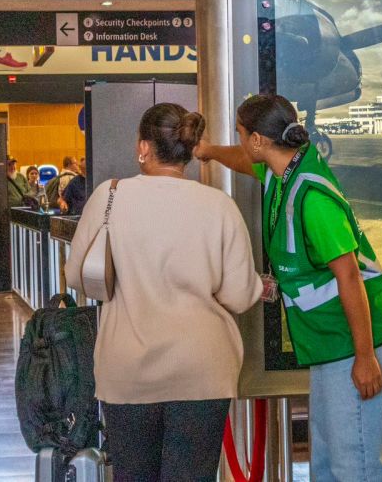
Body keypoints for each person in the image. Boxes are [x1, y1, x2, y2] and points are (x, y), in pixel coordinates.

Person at [196, 94, 382, 482]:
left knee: (357, 467)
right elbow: (244, 161)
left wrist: (365, 357)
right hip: (330, 344)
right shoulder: (283, 171)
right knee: (326, 466)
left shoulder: (312, 200)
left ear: (259, 139)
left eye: (242, 135)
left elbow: (349, 277)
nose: (241, 143)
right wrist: (207, 151)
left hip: (357, 342)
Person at [63, 103, 261, 482]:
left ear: (143, 148)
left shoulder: (110, 196)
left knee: (134, 474)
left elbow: (77, 275)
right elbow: (239, 295)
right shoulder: (219, 204)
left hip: (128, 368)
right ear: (189, 151)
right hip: (203, 367)